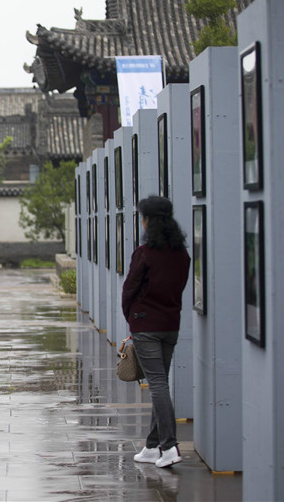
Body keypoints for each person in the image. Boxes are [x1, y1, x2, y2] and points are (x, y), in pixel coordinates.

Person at [122, 196, 190, 468]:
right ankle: (151, 446)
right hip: (170, 324)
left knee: (158, 385)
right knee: (160, 381)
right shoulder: (182, 254)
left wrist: (132, 317)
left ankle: (170, 446)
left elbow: (129, 289)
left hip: (145, 324)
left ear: (148, 221)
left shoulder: (144, 253)